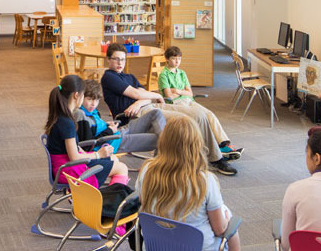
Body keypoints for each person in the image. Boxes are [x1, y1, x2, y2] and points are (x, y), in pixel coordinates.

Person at [135, 118, 253, 251]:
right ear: (196, 145)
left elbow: (145, 207)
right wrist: (224, 215)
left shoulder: (146, 170)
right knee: (230, 222)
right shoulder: (205, 181)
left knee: (169, 222)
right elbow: (220, 229)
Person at [100, 43, 238, 176]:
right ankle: (215, 159)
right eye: (116, 59)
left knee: (200, 114)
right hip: (138, 115)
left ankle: (215, 155)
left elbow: (144, 95)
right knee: (185, 120)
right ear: (108, 59)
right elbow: (137, 93)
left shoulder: (129, 77)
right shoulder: (109, 77)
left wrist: (140, 101)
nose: (120, 63)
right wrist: (154, 95)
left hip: (148, 106)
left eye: (123, 59)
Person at [158, 45, 243, 158]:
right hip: (176, 104)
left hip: (189, 100)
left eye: (179, 58)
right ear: (167, 59)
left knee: (209, 114)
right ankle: (218, 149)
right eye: (174, 58)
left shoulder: (182, 73)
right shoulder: (163, 75)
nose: (177, 61)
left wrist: (177, 90)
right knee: (201, 117)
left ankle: (224, 144)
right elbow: (169, 96)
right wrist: (182, 91)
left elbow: (190, 93)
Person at [46, 74, 130, 188]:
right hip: (69, 170)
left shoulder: (62, 116)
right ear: (77, 95)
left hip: (65, 165)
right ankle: (110, 201)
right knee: (122, 168)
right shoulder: (67, 122)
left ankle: (98, 197)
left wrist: (88, 154)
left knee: (114, 158)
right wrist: (98, 154)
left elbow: (74, 147)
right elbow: (74, 157)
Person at [74, 77, 162, 154]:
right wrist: (109, 130)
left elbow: (94, 128)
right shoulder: (80, 114)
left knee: (156, 113)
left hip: (116, 132)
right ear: (81, 97)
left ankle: (166, 148)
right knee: (158, 140)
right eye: (89, 99)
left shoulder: (91, 110)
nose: (93, 104)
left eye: (96, 100)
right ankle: (166, 160)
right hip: (114, 142)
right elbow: (89, 145)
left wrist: (107, 125)